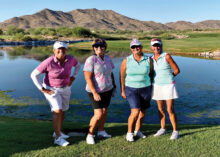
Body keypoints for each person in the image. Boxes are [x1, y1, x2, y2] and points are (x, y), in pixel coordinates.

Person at [30, 41, 80, 146]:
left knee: (63, 110)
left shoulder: (70, 59)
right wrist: (42, 89)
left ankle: (57, 131)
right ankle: (58, 138)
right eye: (58, 49)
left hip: (66, 88)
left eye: (63, 49)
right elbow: (34, 75)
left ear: (66, 50)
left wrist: (73, 77)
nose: (61, 51)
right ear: (54, 51)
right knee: (57, 110)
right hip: (51, 89)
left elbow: (78, 66)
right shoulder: (48, 62)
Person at [83, 39, 116, 144]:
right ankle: (90, 134)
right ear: (93, 48)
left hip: (107, 89)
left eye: (102, 46)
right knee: (98, 114)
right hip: (95, 91)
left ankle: (101, 131)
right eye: (96, 46)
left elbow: (110, 73)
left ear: (105, 47)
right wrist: (94, 92)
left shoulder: (107, 58)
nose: (99, 48)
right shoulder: (91, 59)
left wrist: (114, 85)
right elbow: (88, 78)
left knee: (105, 111)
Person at [120, 39, 153, 142]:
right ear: (131, 49)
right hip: (131, 89)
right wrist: (122, 90)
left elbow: (151, 74)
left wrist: (151, 88)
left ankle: (137, 131)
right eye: (133, 47)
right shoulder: (127, 60)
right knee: (135, 111)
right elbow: (122, 76)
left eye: (137, 46)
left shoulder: (148, 59)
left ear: (141, 47)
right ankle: (129, 133)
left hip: (145, 88)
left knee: (142, 112)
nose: (135, 49)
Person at [150, 38, 180, 140]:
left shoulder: (167, 56)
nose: (156, 47)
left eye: (158, 45)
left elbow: (177, 70)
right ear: (151, 47)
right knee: (160, 109)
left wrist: (169, 77)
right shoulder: (151, 59)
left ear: (161, 46)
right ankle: (163, 128)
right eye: (154, 46)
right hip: (157, 86)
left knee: (169, 109)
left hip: (168, 85)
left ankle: (175, 131)